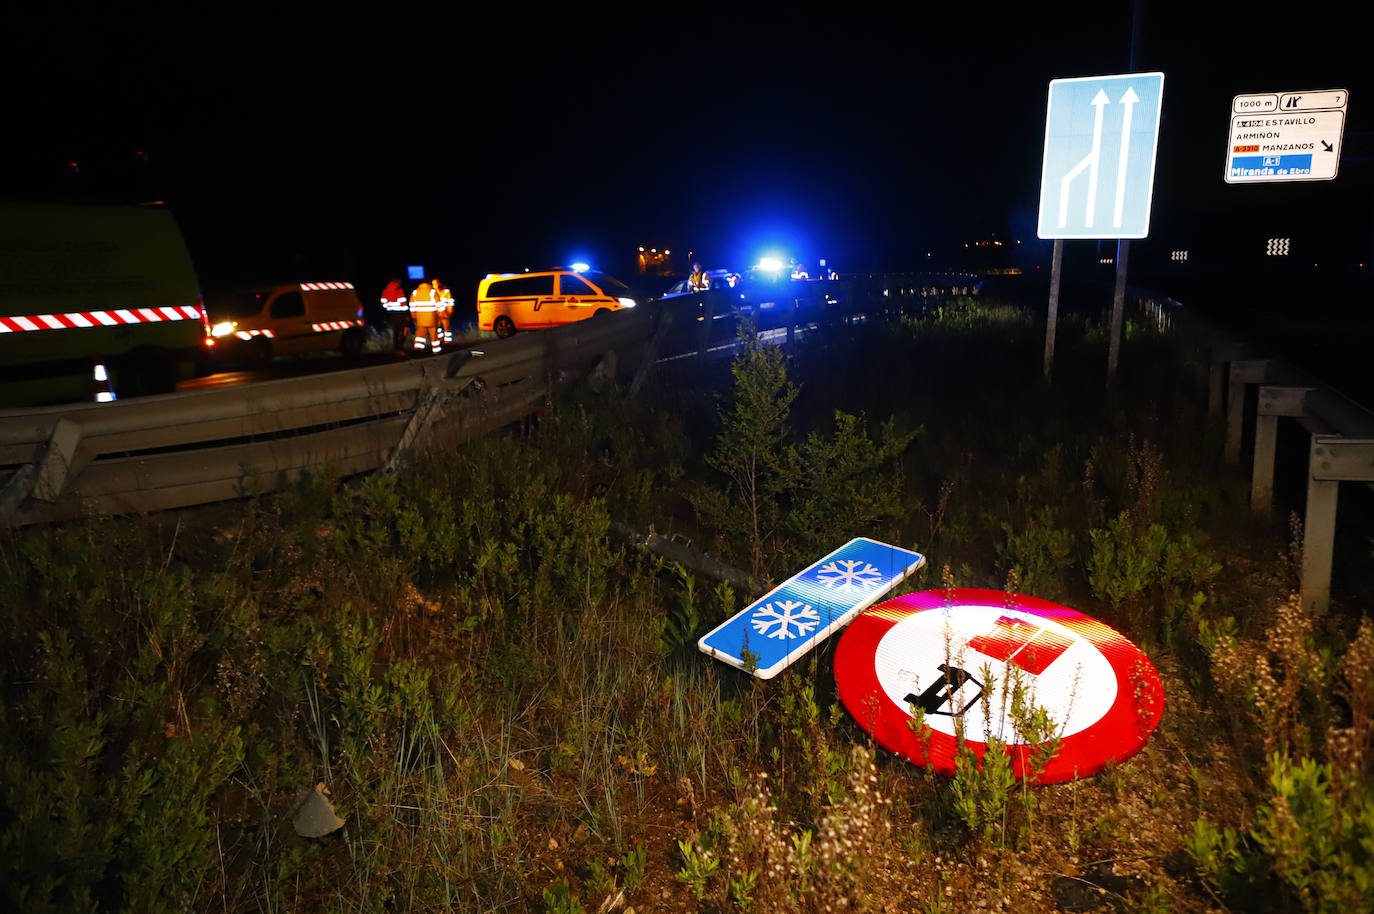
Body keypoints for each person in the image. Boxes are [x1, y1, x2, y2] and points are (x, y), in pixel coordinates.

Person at [379, 278, 412, 352]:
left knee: (395, 331)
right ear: (397, 282)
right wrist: (407, 314)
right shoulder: (399, 290)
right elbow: (403, 303)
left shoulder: (386, 291)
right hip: (401, 314)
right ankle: (400, 347)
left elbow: (383, 302)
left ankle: (396, 348)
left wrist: (388, 308)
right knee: (403, 331)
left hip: (391, 314)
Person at [409, 279, 439, 354]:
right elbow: (439, 305)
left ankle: (418, 349)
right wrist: (440, 315)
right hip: (431, 317)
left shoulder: (415, 292)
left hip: (420, 318)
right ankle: (436, 351)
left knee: (420, 334)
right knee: (434, 335)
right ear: (429, 283)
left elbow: (412, 306)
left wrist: (414, 316)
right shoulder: (432, 291)